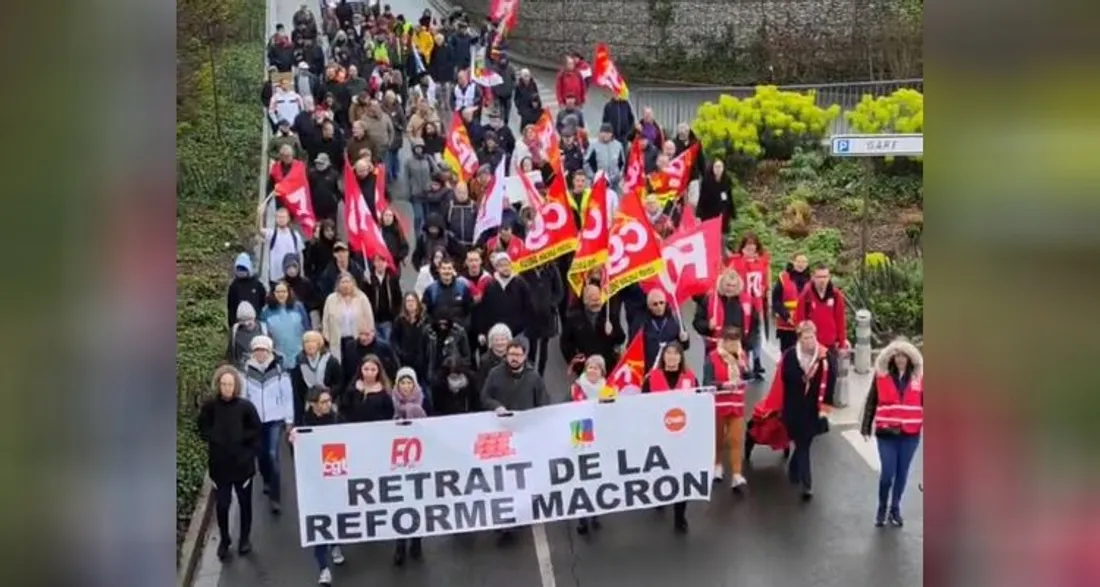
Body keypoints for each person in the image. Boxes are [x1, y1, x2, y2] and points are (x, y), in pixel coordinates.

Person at [479, 339, 551, 542]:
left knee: (523, 478)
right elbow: (484, 396)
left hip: (525, 437)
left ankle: (520, 514)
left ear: (525, 356)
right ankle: (504, 520)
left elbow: (543, 404)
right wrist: (496, 407)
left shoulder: (533, 378)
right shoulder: (495, 374)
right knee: (504, 479)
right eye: (511, 354)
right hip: (501, 435)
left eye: (518, 354)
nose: (514, 358)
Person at [757, 321, 837, 501]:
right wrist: (802, 378)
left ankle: (807, 484)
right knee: (801, 443)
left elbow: (831, 380)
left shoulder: (824, 357)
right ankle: (795, 468)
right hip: (794, 407)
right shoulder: (790, 355)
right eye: (806, 338)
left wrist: (826, 406)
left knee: (804, 444)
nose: (810, 341)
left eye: (812, 337)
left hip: (812, 408)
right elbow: (785, 376)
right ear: (799, 339)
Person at [198, 366, 261, 561]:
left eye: (230, 384)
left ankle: (244, 539)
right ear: (218, 385)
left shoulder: (245, 407)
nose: (227, 388)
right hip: (220, 467)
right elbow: (202, 428)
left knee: (244, 504)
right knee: (223, 506)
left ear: (236, 386)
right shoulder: (210, 407)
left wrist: (245, 444)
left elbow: (256, 430)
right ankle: (225, 540)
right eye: (223, 384)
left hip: (242, 467)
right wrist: (215, 438)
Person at [860, 338, 924, 527]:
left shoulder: (918, 378)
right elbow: (872, 400)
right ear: (892, 357)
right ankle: (882, 506)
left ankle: (895, 507)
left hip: (910, 434)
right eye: (897, 355)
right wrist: (866, 425)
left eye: (904, 355)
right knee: (888, 473)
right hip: (887, 432)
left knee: (902, 473)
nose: (900, 359)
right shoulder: (882, 375)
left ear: (910, 358)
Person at [289, 386, 347, 582]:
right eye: (323, 402)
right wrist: (293, 441)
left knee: (336, 514)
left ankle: (336, 543)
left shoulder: (338, 419)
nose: (328, 405)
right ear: (313, 404)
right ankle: (323, 567)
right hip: (314, 481)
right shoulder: (303, 424)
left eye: (329, 401)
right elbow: (296, 454)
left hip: (335, 476)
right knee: (319, 521)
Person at [641, 342, 696, 532]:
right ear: (663, 357)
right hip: (659, 435)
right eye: (668, 354)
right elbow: (642, 406)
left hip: (682, 436)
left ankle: (680, 515)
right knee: (662, 473)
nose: (672, 357)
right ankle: (661, 496)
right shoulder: (652, 378)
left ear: (681, 357)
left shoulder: (690, 378)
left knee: (681, 476)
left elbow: (698, 405)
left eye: (675, 354)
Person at [239, 336, 294, 513]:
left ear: (269, 351)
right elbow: (243, 397)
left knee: (272, 454)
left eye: (263, 350)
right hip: (255, 422)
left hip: (275, 420)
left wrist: (289, 420)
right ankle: (267, 480)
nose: (260, 353)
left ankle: (275, 498)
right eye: (257, 350)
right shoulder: (246, 371)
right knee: (261, 456)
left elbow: (287, 396)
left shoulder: (279, 369)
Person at [569, 355, 613, 535]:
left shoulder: (608, 388)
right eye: (589, 367)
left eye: (596, 368)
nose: (592, 371)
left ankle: (596, 510)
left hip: (602, 433)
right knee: (583, 475)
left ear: (602, 371)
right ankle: (582, 518)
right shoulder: (576, 388)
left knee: (598, 474)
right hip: (582, 431)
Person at [703, 327, 750, 492]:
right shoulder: (713, 357)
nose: (734, 344)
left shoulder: (742, 356)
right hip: (718, 403)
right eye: (730, 341)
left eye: (736, 341)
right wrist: (723, 385)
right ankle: (717, 465)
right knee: (719, 438)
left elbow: (747, 376)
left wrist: (745, 370)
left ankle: (736, 474)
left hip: (736, 403)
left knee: (735, 439)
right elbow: (707, 381)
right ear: (724, 341)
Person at [391, 368, 428, 564]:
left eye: (409, 383)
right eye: (402, 383)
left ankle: (416, 541)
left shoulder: (422, 402)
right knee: (399, 504)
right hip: (395, 463)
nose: (405, 387)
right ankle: (400, 545)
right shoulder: (392, 403)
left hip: (418, 462)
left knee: (417, 503)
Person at [693, 270, 761, 377]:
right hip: (715, 349)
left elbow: (755, 325)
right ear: (722, 283)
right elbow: (697, 323)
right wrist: (708, 325)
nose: (730, 288)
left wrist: (748, 344)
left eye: (734, 286)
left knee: (739, 384)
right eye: (728, 285)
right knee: (713, 383)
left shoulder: (747, 300)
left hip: (739, 349)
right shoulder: (710, 299)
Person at [727, 233, 770, 377]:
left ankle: (757, 361)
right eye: (748, 244)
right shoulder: (737, 261)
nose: (751, 247)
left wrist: (766, 294)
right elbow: (730, 275)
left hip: (756, 302)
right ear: (743, 247)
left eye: (753, 244)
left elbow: (765, 281)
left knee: (756, 333)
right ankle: (743, 362)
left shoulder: (762, 262)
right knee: (743, 333)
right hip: (742, 303)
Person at [560, 283, 625, 378]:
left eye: (598, 299)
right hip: (585, 368)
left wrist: (612, 332)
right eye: (593, 300)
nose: (596, 303)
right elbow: (565, 343)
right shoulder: (574, 319)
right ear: (585, 301)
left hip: (607, 368)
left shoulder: (609, 317)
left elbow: (621, 339)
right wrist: (576, 363)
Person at [476, 254, 532, 345]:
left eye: (507, 264)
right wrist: (482, 331)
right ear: (496, 267)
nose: (505, 268)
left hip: (517, 332)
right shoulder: (489, 285)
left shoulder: (520, 283)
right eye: (501, 265)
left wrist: (525, 327)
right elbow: (484, 310)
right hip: (496, 334)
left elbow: (528, 307)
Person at [289, 331, 343, 425]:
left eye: (312, 342)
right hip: (309, 407)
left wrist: (327, 395)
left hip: (329, 404)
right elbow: (297, 389)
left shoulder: (331, 361)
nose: (309, 345)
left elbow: (339, 382)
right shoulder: (299, 363)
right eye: (306, 342)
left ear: (319, 344)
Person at [321, 272, 374, 366]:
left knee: (355, 365)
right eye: (343, 282)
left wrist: (368, 336)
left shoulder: (362, 298)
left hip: (356, 339)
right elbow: (325, 321)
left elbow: (369, 319)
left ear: (353, 283)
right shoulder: (331, 299)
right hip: (338, 340)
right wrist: (328, 338)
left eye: (348, 282)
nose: (346, 285)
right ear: (338, 284)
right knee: (339, 366)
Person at [794, 263, 849, 352]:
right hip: (812, 344)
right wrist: (801, 341)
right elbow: (799, 320)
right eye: (819, 277)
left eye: (825, 277)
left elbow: (840, 319)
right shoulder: (806, 295)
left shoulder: (836, 295)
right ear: (813, 277)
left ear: (829, 277)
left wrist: (841, 342)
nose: (822, 280)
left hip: (831, 344)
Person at [631, 289, 689, 372]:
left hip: (671, 367)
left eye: (661, 303)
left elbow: (685, 347)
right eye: (655, 304)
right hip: (649, 367)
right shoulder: (640, 322)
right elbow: (633, 346)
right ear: (649, 306)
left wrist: (685, 339)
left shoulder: (675, 319)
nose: (659, 306)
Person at [523, 262, 563, 376]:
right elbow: (522, 289)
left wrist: (551, 304)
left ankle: (541, 374)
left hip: (547, 315)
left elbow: (559, 291)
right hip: (531, 315)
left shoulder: (552, 269)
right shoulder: (525, 269)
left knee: (544, 346)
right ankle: (530, 374)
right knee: (532, 346)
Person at [260, 280, 311, 364]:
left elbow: (307, 328)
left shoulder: (298, 307)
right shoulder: (266, 311)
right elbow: (264, 334)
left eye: (284, 291)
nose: (281, 294)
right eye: (278, 292)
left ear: (289, 293)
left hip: (299, 354)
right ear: (273, 293)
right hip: (278, 356)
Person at [772, 253, 811, 354]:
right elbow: (776, 300)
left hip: (805, 325)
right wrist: (786, 316)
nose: (801, 264)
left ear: (807, 264)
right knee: (787, 353)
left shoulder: (812, 280)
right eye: (798, 261)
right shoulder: (783, 278)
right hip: (786, 324)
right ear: (793, 262)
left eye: (803, 262)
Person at [423, 257, 474, 330]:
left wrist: (464, 327)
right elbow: (427, 313)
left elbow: (469, 311)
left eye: (449, 268)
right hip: (437, 333)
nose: (447, 271)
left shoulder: (463, 288)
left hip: (458, 333)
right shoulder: (431, 290)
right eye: (444, 268)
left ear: (453, 270)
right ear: (439, 270)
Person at [342, 355, 396, 422]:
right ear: (361, 369)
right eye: (366, 369)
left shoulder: (384, 391)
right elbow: (344, 409)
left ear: (378, 371)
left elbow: (389, 413)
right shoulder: (353, 388)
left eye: (373, 370)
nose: (369, 373)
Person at [423, 310, 473, 382]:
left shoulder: (459, 332)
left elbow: (466, 356)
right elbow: (423, 354)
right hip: (433, 374)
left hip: (453, 375)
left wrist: (460, 369)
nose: (443, 325)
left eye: (445, 322)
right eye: (440, 322)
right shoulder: (428, 332)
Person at [262, 208, 307, 286]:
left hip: (292, 276)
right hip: (276, 277)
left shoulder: (295, 235)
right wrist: (260, 216)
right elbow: (259, 230)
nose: (281, 219)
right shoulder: (272, 233)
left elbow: (300, 254)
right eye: (279, 217)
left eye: (283, 217)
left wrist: (301, 272)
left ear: (288, 218)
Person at [363, 254, 401, 343]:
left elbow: (398, 297)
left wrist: (395, 313)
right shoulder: (369, 278)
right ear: (374, 263)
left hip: (388, 319)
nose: (380, 264)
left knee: (387, 344)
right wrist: (366, 283)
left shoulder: (392, 278)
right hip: (372, 319)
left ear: (386, 263)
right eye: (377, 261)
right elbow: (364, 297)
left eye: (382, 261)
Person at [404, 138, 439, 235]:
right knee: (418, 217)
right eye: (416, 148)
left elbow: (436, 171)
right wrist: (409, 190)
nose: (418, 150)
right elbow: (406, 177)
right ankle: (418, 237)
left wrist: (431, 181)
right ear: (413, 149)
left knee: (429, 217)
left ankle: (428, 236)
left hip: (428, 192)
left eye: (420, 148)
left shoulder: (428, 158)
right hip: (416, 193)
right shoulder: (409, 161)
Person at [391, 292, 428, 380]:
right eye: (408, 301)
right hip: (405, 359)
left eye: (413, 300)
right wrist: (400, 353)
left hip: (422, 360)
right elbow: (394, 339)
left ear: (417, 303)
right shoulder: (399, 320)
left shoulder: (426, 320)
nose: (410, 303)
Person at [227, 253, 267, 329]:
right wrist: (232, 324)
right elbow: (231, 306)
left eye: (243, 269)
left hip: (255, 322)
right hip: (239, 323)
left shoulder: (257, 284)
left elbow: (263, 300)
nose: (241, 272)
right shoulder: (234, 286)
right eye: (239, 269)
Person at [227, 302, 268, 368]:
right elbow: (230, 353)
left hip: (259, 369)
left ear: (254, 317)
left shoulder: (263, 329)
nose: (246, 323)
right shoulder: (234, 331)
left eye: (249, 319)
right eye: (242, 320)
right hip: (241, 369)